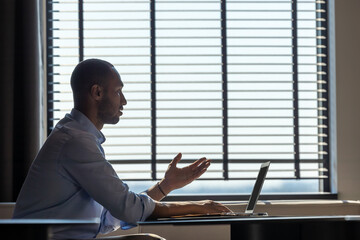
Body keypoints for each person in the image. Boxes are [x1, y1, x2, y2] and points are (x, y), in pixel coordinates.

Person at [13, 59, 231, 239]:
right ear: (97, 92)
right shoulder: (75, 141)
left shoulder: (79, 137)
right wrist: (199, 206)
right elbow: (128, 209)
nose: (124, 101)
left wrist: (166, 186)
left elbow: (114, 215)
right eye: (118, 92)